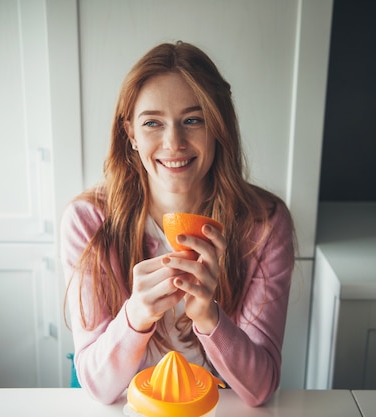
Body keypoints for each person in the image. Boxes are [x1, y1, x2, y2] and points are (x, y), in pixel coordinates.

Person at [60, 41, 295, 407]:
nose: (174, 142)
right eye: (152, 123)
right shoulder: (88, 222)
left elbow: (261, 389)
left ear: (218, 127)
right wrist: (137, 314)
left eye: (193, 120)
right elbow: (96, 386)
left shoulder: (264, 224)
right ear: (131, 135)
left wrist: (209, 317)